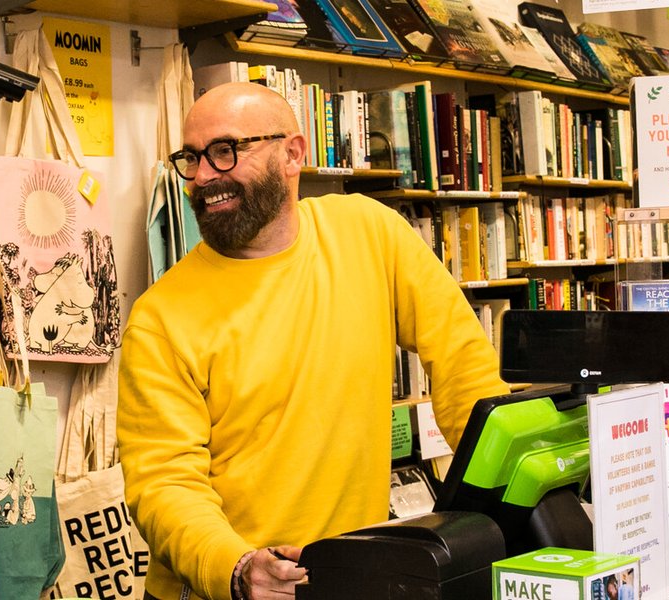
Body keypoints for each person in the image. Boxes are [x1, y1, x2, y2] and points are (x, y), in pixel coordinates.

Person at [117, 82, 509, 600]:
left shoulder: (370, 232)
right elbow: (163, 484)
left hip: (351, 574)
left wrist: (505, 490)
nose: (205, 177)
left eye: (225, 151)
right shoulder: (160, 318)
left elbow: (462, 360)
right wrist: (235, 568)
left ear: (292, 154)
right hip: (228, 587)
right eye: (191, 158)